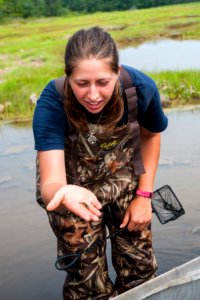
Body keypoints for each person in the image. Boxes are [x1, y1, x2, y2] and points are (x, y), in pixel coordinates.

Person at [33, 26, 168, 299]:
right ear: (68, 76)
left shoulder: (140, 89)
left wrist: (144, 195)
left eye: (103, 83)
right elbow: (51, 181)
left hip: (124, 180)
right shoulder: (52, 102)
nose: (93, 95)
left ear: (117, 72)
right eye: (82, 83)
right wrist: (64, 192)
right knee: (88, 284)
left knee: (139, 271)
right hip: (71, 191)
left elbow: (151, 136)